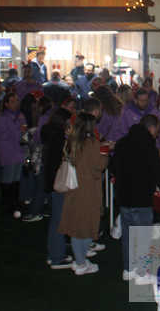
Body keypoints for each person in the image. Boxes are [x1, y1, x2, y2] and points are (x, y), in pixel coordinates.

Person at [113, 114, 160, 284]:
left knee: (128, 236)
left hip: (124, 197)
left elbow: (113, 166)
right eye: (157, 130)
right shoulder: (149, 146)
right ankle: (142, 273)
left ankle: (128, 269)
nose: (157, 134)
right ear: (152, 128)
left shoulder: (121, 143)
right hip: (142, 198)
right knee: (143, 238)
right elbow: (159, 173)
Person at [58, 112, 109, 276]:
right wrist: (105, 154)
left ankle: (79, 259)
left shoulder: (71, 142)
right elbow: (98, 165)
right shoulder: (91, 144)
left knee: (75, 226)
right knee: (87, 226)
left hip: (73, 188)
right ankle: (81, 262)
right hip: (88, 189)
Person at [41, 107, 73, 270]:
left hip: (52, 181)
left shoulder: (50, 133)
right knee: (59, 220)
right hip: (59, 182)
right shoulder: (60, 138)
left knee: (56, 219)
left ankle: (54, 252)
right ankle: (56, 257)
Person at [0, 91, 27, 218]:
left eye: (17, 101)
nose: (16, 104)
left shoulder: (20, 116)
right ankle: (7, 204)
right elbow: (3, 136)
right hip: (8, 152)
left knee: (16, 179)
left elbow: (23, 132)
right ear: (6, 104)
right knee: (8, 179)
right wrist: (19, 131)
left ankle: (15, 203)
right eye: (12, 101)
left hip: (19, 151)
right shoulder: (2, 118)